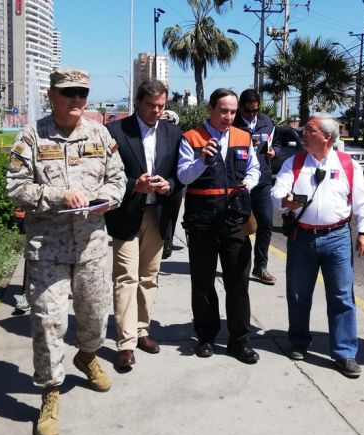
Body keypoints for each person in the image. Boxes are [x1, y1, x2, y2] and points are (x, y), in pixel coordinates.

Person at [5, 68, 127, 435]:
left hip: (91, 246)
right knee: (47, 322)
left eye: (82, 93)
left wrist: (107, 199)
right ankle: (49, 392)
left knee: (93, 316)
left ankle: (87, 356)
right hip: (49, 250)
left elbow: (117, 178)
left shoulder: (99, 133)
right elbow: (15, 187)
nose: (76, 100)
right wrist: (59, 195)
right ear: (52, 96)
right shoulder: (32, 136)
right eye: (68, 92)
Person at [271, 114, 364, 378]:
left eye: (309, 129)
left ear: (327, 136)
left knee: (341, 296)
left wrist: (363, 232)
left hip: (337, 238)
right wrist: (285, 200)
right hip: (302, 239)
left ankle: (345, 353)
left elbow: (362, 201)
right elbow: (276, 192)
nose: (303, 133)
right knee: (298, 293)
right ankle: (299, 342)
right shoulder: (294, 163)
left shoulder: (348, 164)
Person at [177, 88, 262, 364]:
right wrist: (201, 160)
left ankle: (240, 340)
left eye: (233, 111)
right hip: (202, 221)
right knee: (202, 282)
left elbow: (254, 168)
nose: (229, 116)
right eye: (223, 111)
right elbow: (183, 176)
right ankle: (206, 336)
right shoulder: (191, 138)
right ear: (210, 109)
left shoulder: (242, 137)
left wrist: (249, 182)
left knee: (237, 282)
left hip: (235, 220)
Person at [104, 79, 183, 370]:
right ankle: (125, 343)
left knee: (149, 277)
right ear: (138, 102)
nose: (157, 111)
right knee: (126, 276)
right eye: (151, 105)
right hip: (126, 214)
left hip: (157, 215)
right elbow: (103, 175)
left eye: (162, 105)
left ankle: (141, 330)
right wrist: (132, 185)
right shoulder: (115, 131)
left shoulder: (173, 133)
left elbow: (179, 175)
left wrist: (169, 185)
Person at [232, 89, 278, 285]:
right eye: (248, 111)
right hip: (241, 183)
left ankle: (261, 266)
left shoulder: (267, 122)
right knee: (242, 226)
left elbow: (277, 144)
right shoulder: (232, 124)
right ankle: (239, 265)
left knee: (266, 223)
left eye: (255, 110)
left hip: (263, 181)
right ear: (241, 107)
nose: (252, 114)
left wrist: (274, 152)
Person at [159, 109, 183, 259]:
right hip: (159, 184)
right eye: (165, 122)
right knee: (163, 214)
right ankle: (164, 243)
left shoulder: (178, 136)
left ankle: (168, 241)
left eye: (170, 122)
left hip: (174, 183)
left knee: (173, 214)